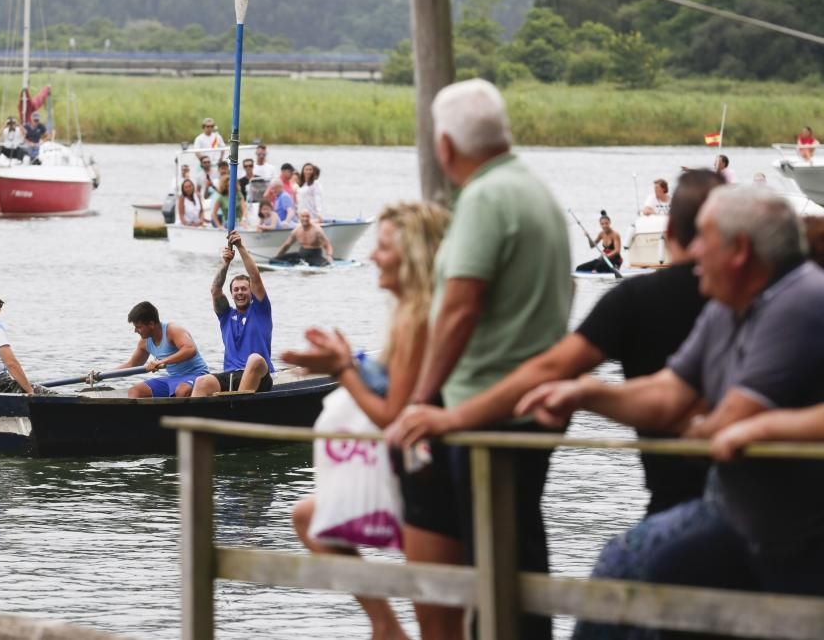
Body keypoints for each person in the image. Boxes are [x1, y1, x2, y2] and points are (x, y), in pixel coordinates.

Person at [518, 185, 824, 636]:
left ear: (740, 250)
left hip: (793, 533)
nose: (690, 248)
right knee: (622, 569)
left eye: (704, 237)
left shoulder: (798, 300)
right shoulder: (726, 306)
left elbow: (729, 419)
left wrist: (707, 427)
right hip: (737, 516)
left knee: (629, 565)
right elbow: (667, 393)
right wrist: (586, 393)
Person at [387, 170, 725, 518]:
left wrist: (452, 417)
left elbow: (550, 367)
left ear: (669, 233)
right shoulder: (762, 295)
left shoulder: (637, 301)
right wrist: (587, 394)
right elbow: (668, 395)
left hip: (679, 500)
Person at [408, 79, 572, 639]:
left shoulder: (483, 197)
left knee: (500, 565)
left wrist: (422, 398)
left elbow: (459, 307)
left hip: (486, 413)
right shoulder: (535, 190)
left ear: (446, 146)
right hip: (527, 406)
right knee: (516, 554)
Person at [285, 202, 451, 640]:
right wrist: (344, 361)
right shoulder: (409, 314)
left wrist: (342, 370)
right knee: (307, 516)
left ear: (414, 254)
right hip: (410, 468)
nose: (373, 256)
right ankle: (385, 624)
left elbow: (392, 412)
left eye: (384, 247)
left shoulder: (422, 317)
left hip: (433, 478)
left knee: (440, 626)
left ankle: (386, 626)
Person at [191, 231, 275, 397]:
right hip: (231, 375)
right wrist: (226, 263)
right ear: (231, 294)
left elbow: (255, 277)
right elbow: (215, 290)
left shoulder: (260, 310)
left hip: (260, 375)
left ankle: (237, 410)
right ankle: (192, 420)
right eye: (236, 290)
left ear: (251, 292)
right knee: (203, 381)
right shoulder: (226, 315)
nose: (240, 292)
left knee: (255, 359)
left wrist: (240, 247)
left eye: (244, 289)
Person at [103, 301, 209, 399]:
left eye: (138, 327)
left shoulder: (173, 330)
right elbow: (131, 365)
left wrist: (162, 361)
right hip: (173, 378)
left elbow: (190, 349)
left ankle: (178, 419)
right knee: (134, 391)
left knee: (182, 391)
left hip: (198, 375)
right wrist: (101, 375)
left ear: (151, 324)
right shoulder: (144, 342)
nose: (135, 331)